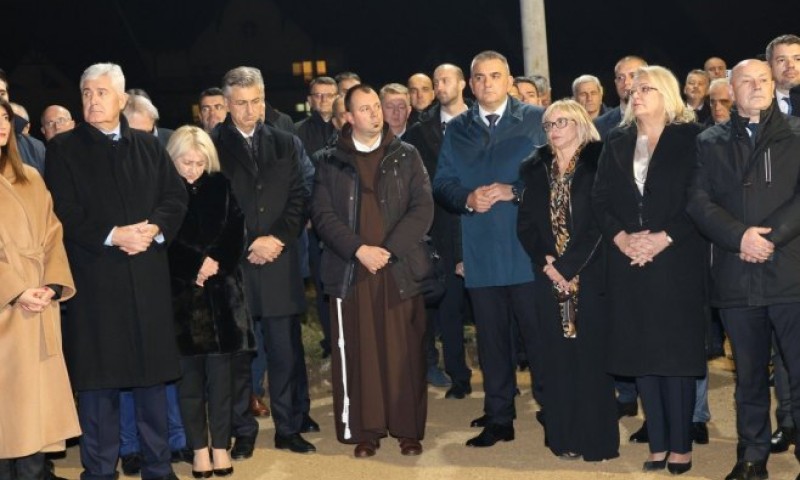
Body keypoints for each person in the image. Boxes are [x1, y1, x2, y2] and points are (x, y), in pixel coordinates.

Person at [44, 63, 188, 480]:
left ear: (123, 99)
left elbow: (175, 197)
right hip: (96, 283)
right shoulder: (64, 149)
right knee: (99, 386)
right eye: (86, 92)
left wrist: (155, 227)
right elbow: (63, 211)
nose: (92, 100)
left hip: (146, 280)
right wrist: (113, 235)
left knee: (151, 384)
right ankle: (100, 470)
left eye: (102, 92)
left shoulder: (148, 146)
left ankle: (159, 469)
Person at [688, 58, 800, 480]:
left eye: (763, 80)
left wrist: (770, 238)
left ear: (774, 86)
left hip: (791, 273)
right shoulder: (709, 141)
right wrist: (740, 238)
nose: (756, 87)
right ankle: (752, 455)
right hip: (737, 276)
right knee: (748, 376)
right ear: (730, 91)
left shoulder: (797, 134)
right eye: (746, 82)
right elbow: (697, 202)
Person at [592, 65, 706, 475]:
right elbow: (600, 200)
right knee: (642, 354)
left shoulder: (691, 138)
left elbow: (700, 198)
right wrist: (623, 239)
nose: (635, 94)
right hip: (629, 262)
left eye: (646, 88)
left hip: (676, 259)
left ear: (667, 94)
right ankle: (657, 442)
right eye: (632, 88)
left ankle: (681, 446)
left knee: (673, 357)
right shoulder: (617, 140)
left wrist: (663, 238)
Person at [311, 84, 434, 458]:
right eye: (364, 109)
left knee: (405, 353)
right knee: (358, 353)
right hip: (352, 270)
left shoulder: (406, 154)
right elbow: (322, 214)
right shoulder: (328, 160)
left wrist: (388, 250)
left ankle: (407, 429)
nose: (374, 114)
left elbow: (422, 208)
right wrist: (359, 249)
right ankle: (366, 430)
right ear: (347, 117)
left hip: (398, 269)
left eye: (376, 107)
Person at [433, 50, 546, 448]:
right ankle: (500, 418)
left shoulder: (534, 120)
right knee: (491, 341)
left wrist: (515, 191)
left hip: (527, 250)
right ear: (470, 82)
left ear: (510, 80)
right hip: (481, 251)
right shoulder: (458, 128)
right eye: (479, 78)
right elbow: (442, 183)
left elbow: (558, 176)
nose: (486, 84)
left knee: (539, 337)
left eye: (494, 76)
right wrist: (466, 198)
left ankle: (553, 410)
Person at [211, 66, 313, 458]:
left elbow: (300, 196)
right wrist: (248, 242)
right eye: (241, 104)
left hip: (278, 262)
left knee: (286, 352)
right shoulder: (212, 143)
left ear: (264, 99)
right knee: (238, 356)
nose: (250, 111)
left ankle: (289, 427)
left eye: (256, 102)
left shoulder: (286, 142)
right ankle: (244, 430)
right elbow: (211, 205)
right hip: (234, 266)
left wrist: (278, 239)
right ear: (226, 104)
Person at [517, 99, 618, 461]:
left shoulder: (600, 161)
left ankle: (597, 441)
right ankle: (564, 438)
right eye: (548, 125)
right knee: (557, 358)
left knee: (590, 358)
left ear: (579, 123)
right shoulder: (534, 168)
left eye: (562, 122)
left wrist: (569, 265)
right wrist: (546, 260)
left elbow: (601, 222)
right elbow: (525, 224)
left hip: (590, 276)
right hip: (550, 279)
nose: (554, 130)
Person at [165, 125, 253, 478]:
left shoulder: (221, 185)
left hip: (222, 300)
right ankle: (199, 451)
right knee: (189, 385)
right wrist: (194, 266)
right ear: (173, 159)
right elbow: (163, 239)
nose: (193, 169)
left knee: (222, 384)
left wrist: (214, 264)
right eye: (186, 162)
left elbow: (236, 230)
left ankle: (221, 447)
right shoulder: (164, 191)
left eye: (200, 162)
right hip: (181, 301)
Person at [0, 99, 80, 480]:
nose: (1, 124)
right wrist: (15, 290)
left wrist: (50, 283)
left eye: (4, 117)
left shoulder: (30, 176)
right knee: (7, 416)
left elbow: (53, 233)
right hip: (6, 312)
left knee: (37, 418)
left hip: (39, 306)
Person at [404, 63, 472, 398]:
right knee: (449, 309)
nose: (440, 85)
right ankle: (458, 375)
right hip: (440, 231)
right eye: (435, 81)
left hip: (481, 226)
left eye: (445, 80)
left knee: (492, 308)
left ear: (462, 84)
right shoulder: (418, 133)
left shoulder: (482, 124)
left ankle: (502, 374)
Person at [595, 56, 648, 140]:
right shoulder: (599, 125)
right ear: (615, 83)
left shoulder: (666, 120)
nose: (626, 82)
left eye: (633, 75)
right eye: (620, 77)